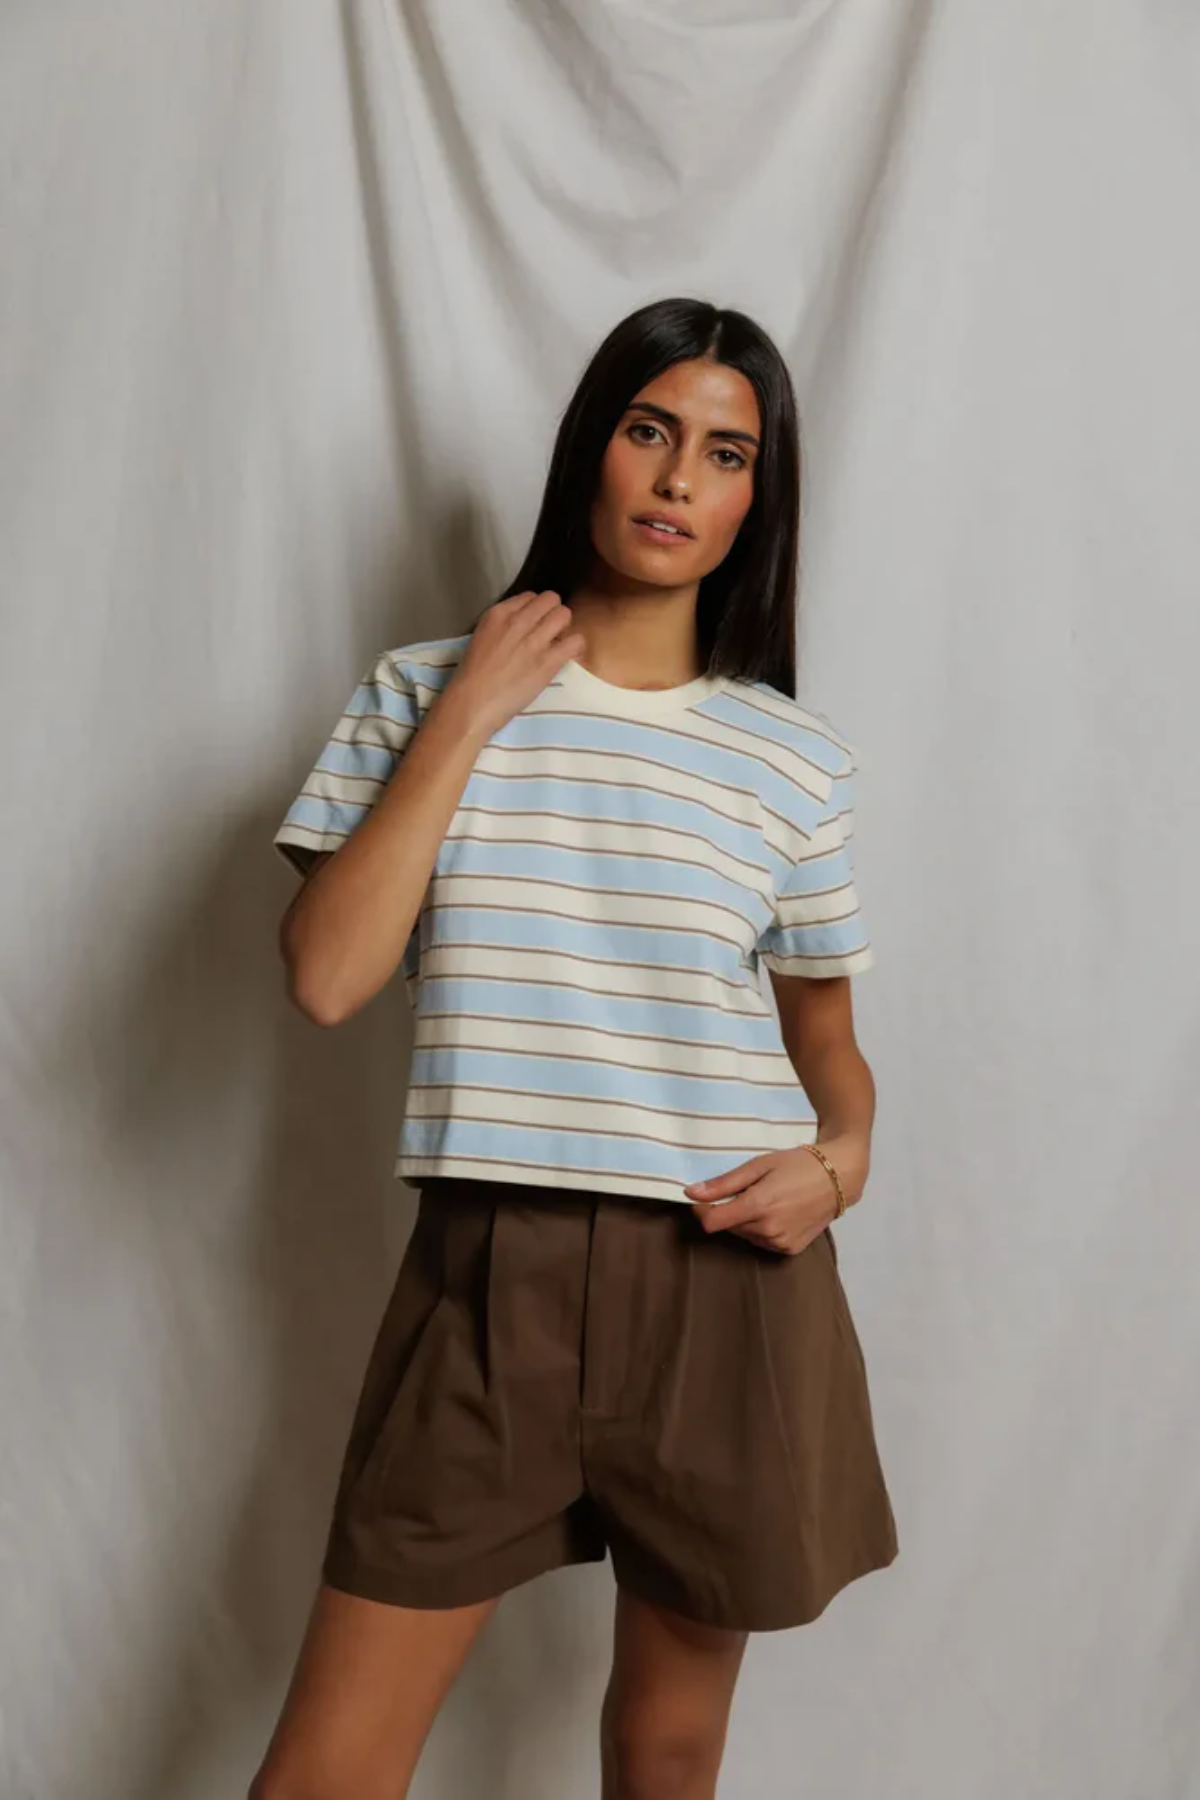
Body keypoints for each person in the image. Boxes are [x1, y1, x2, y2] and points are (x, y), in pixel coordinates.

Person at [249, 296, 899, 1800]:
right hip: (491, 1279)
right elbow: (332, 976)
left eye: (725, 454)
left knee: (666, 1752)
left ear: (757, 501)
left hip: (733, 1275)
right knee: (331, 1766)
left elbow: (831, 1046)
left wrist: (842, 1165)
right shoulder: (421, 692)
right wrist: (474, 709)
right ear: (591, 451)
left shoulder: (788, 758)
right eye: (649, 431)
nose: (678, 481)